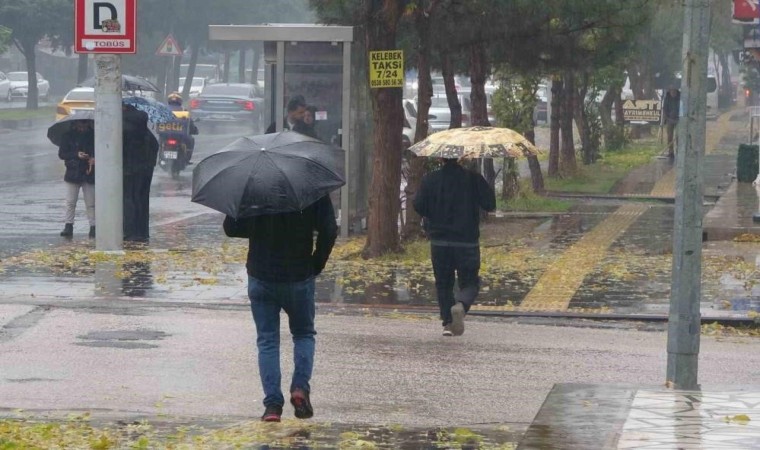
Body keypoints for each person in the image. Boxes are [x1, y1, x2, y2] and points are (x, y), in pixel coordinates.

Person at [223, 195, 338, 422]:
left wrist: (257, 223)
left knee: (267, 340)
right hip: (298, 274)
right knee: (303, 333)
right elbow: (329, 229)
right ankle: (300, 388)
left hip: (261, 274)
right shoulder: (309, 187)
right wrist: (316, 263)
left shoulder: (254, 186)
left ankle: (273, 405)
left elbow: (231, 228)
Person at [413, 158, 496, 337]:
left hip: (439, 242)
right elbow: (490, 205)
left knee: (443, 283)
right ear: (461, 158)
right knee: (470, 282)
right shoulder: (473, 179)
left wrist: (434, 214)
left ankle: (448, 324)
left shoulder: (430, 179)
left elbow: (418, 205)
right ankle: (461, 304)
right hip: (467, 242)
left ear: (440, 158)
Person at [123, 105, 159, 243]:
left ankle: (129, 231)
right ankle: (142, 232)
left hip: (129, 171)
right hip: (145, 172)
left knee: (128, 199)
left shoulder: (124, 130)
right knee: (142, 200)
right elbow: (155, 148)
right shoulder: (145, 131)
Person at [58, 120, 96, 238]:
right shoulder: (67, 136)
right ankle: (68, 225)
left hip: (89, 172)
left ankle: (93, 226)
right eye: (79, 125)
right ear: (74, 125)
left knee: (91, 203)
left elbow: (100, 150)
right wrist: (76, 154)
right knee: (70, 202)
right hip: (72, 172)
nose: (82, 128)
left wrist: (94, 158)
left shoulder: (94, 135)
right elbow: (62, 154)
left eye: (84, 125)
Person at [165, 92, 198, 164]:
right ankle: (187, 159)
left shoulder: (163, 109)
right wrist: (194, 130)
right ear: (180, 101)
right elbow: (190, 123)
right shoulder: (184, 111)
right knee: (191, 140)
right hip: (181, 136)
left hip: (165, 136)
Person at [662, 85, 680, 158]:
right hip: (669, 119)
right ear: (669, 91)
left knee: (678, 136)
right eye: (671, 91)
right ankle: (671, 152)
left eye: (674, 91)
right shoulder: (667, 98)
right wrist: (667, 118)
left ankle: (679, 151)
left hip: (678, 120)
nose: (673, 93)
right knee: (670, 136)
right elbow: (664, 110)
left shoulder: (680, 98)